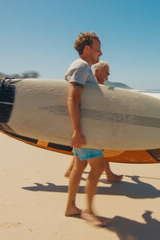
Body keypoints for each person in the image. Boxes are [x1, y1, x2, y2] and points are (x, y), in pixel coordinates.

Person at [64, 32, 108, 226]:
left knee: (79, 165)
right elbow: (73, 98)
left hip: (84, 126)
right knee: (97, 168)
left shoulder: (83, 68)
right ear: (87, 49)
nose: (101, 51)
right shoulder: (81, 66)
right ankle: (89, 210)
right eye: (97, 47)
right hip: (84, 128)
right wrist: (78, 131)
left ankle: (71, 206)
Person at [64, 60, 123, 182]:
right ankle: (108, 175)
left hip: (88, 125)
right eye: (106, 71)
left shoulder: (94, 87)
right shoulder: (94, 88)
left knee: (86, 150)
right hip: (90, 126)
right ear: (97, 71)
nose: (109, 74)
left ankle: (71, 171)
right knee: (96, 150)